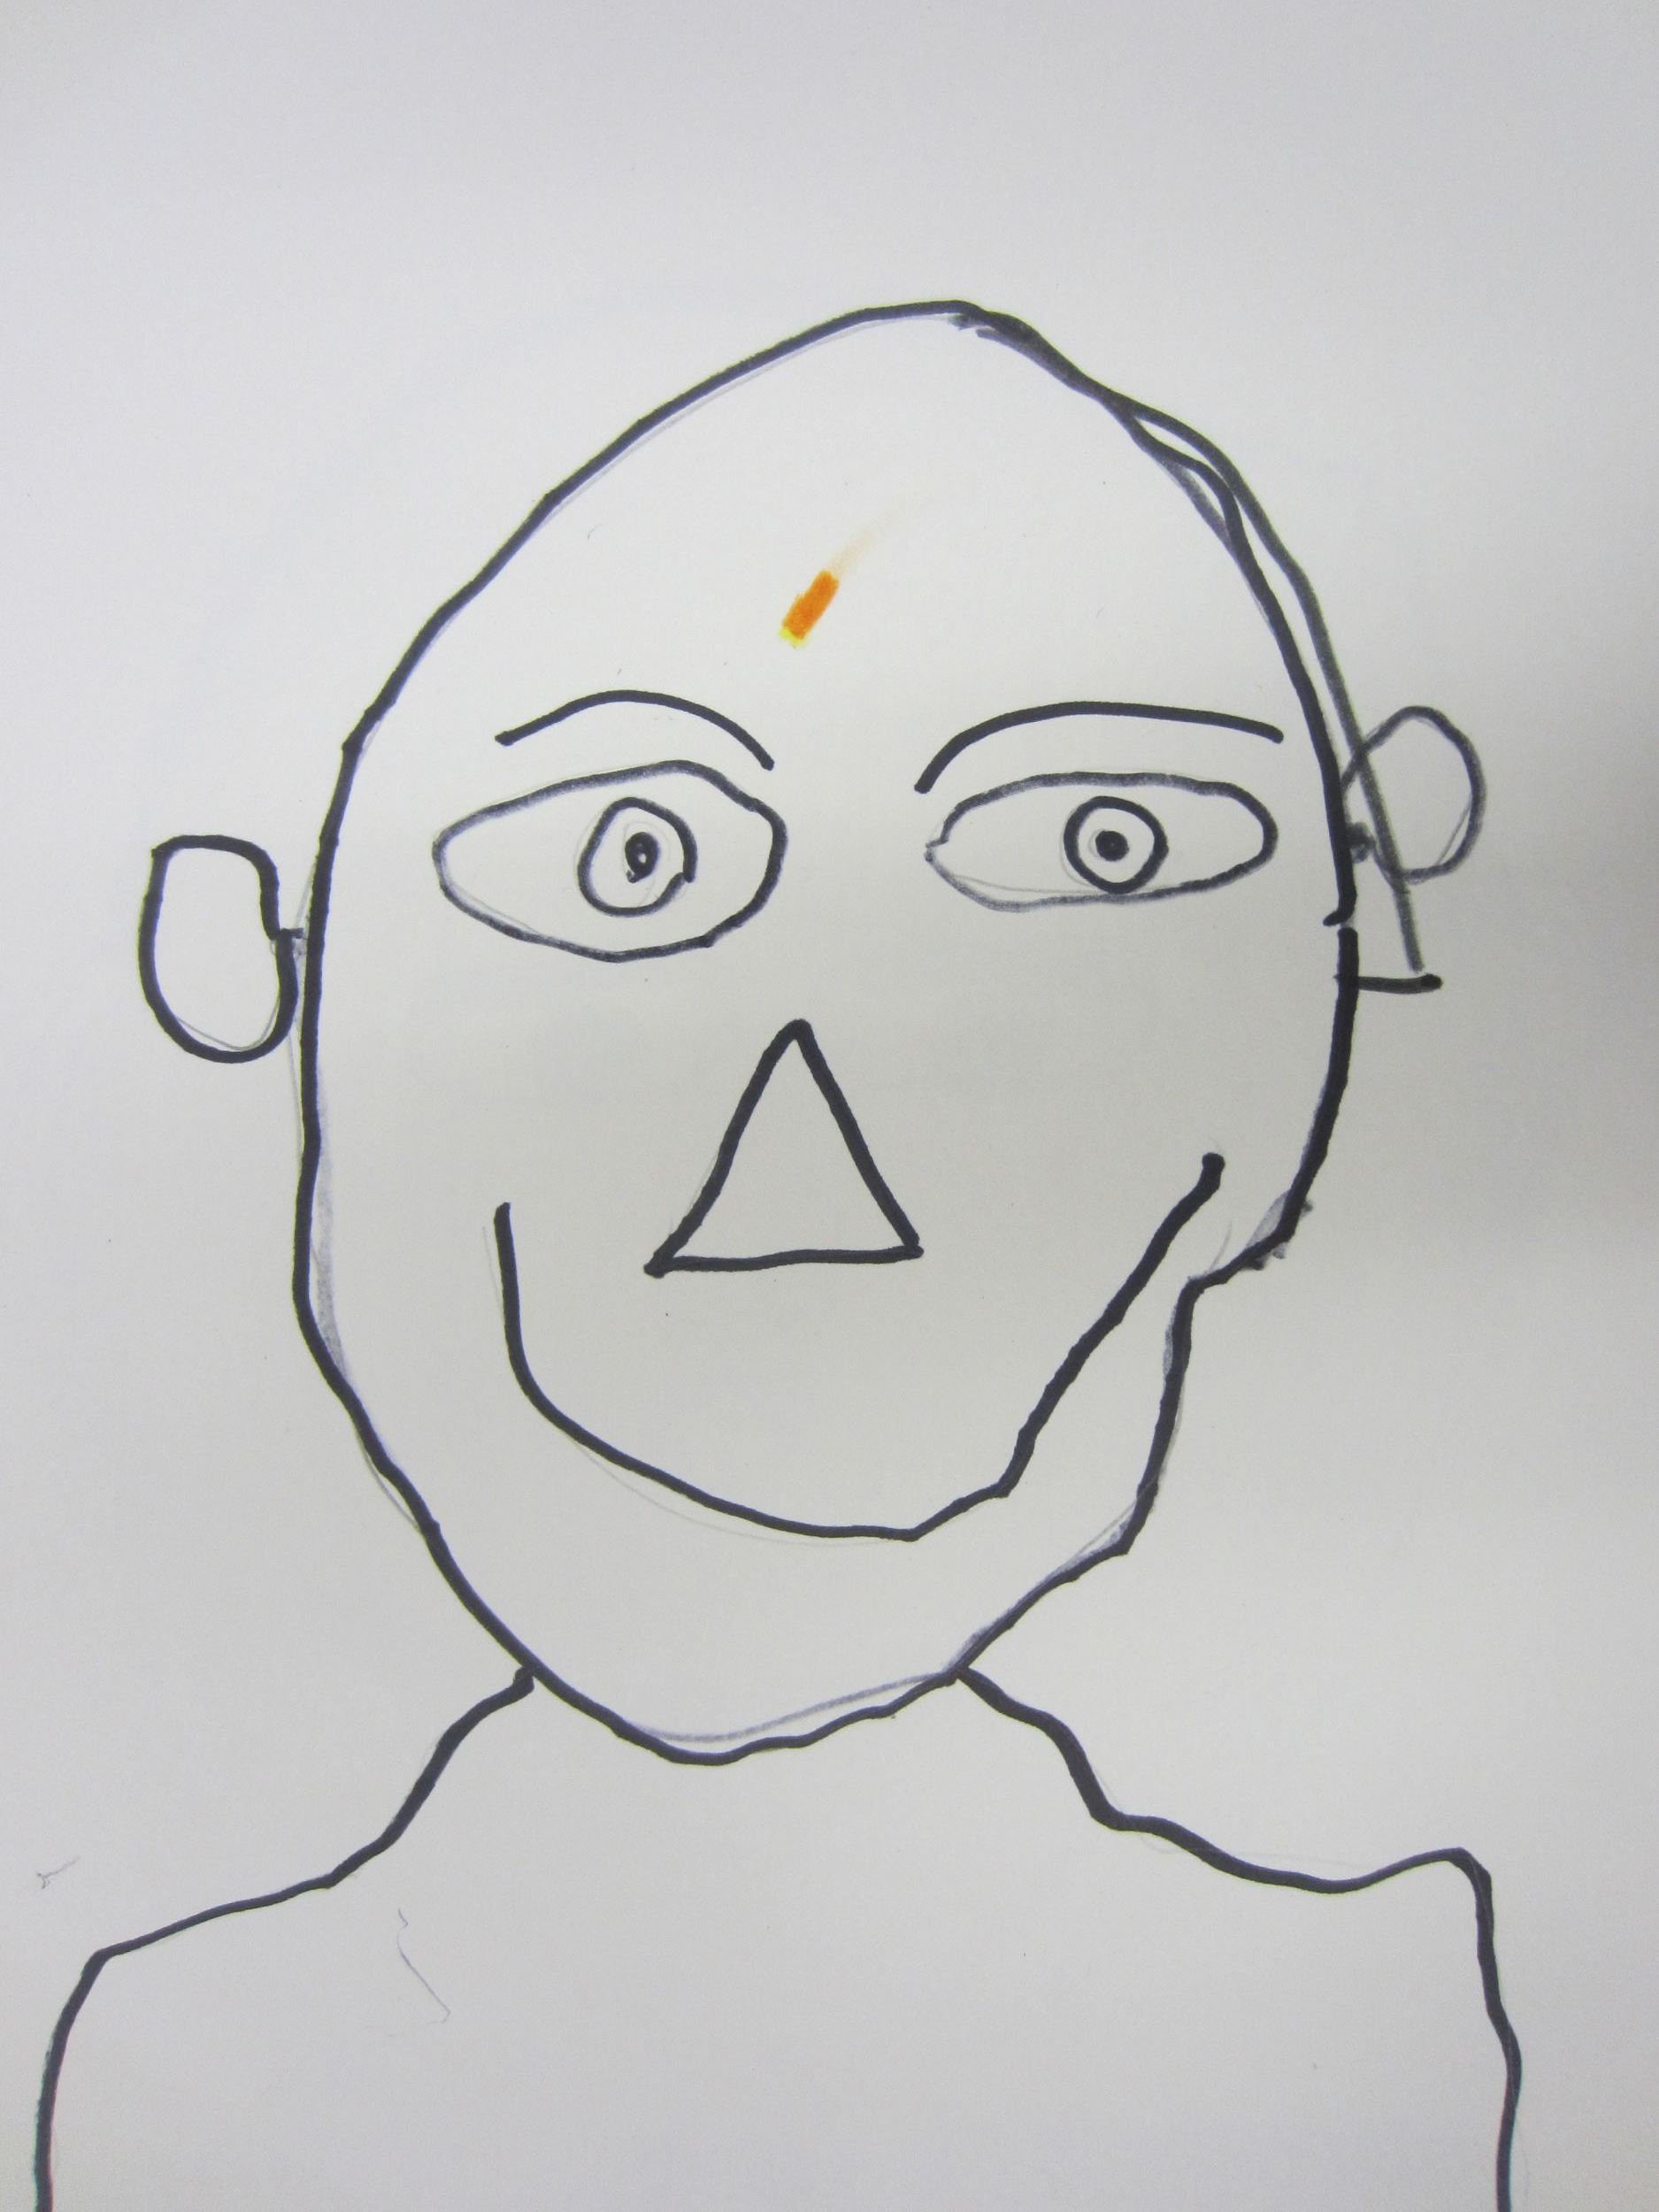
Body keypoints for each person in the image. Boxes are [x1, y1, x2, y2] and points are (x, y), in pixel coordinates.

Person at [45, 303, 1510, 2208]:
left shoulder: (1390, 2031)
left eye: (1106, 839)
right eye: (629, 861)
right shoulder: (174, 2075)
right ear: (270, 967)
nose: (810, 1179)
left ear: (1341, 936)